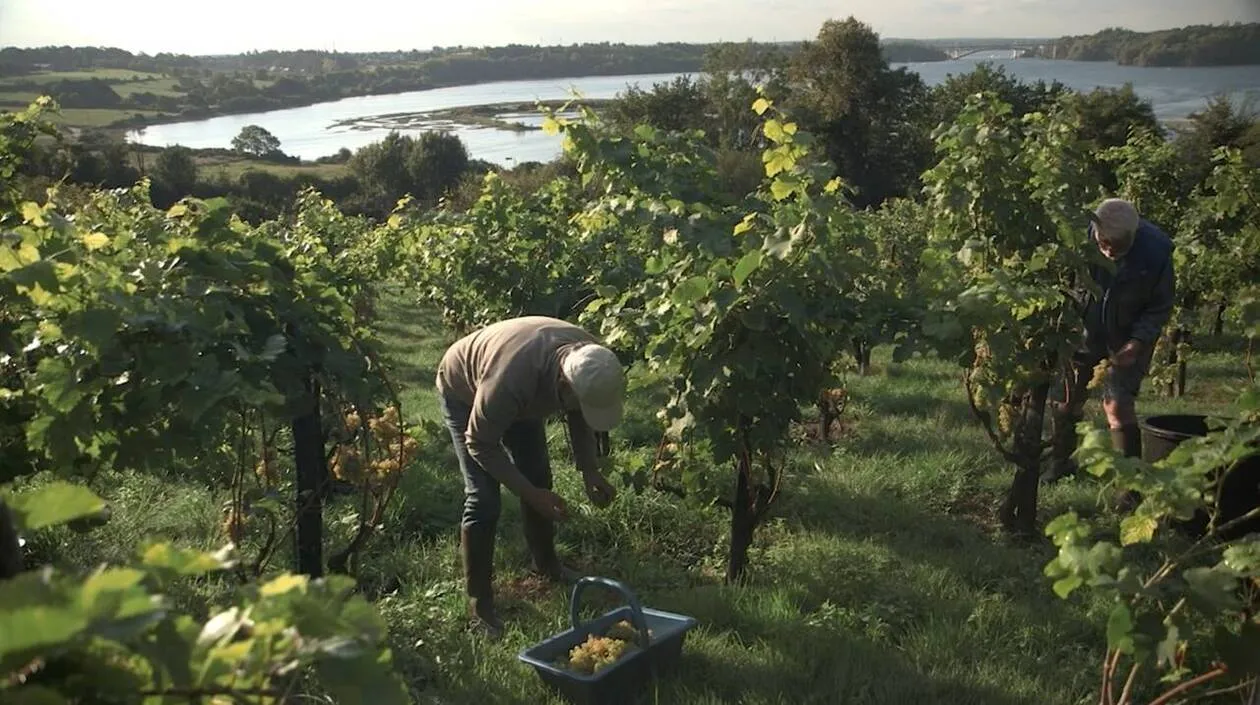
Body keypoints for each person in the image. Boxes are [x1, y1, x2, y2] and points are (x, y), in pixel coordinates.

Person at [435, 316, 626, 637]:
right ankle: (479, 603)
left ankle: (547, 565)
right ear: (564, 386)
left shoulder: (589, 359)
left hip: (523, 390)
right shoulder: (510, 380)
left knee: (538, 475)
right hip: (465, 391)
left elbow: (579, 412)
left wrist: (589, 469)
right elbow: (480, 443)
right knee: (484, 498)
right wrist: (532, 495)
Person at [1047, 198, 1176, 488]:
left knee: (1117, 406)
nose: (1108, 251)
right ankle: (1059, 464)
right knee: (1065, 400)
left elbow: (1159, 306)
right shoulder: (1075, 238)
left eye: (1116, 247)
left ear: (1134, 235)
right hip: (1081, 332)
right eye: (1103, 244)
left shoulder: (1156, 252)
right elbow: (1060, 284)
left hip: (1128, 338)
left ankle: (1128, 488)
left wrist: (1137, 342)